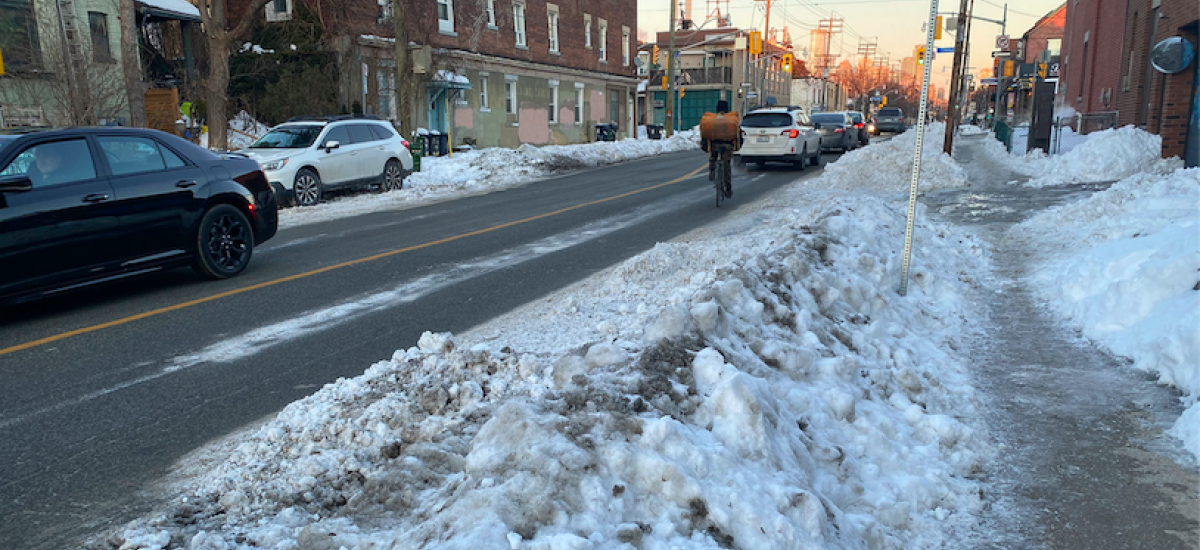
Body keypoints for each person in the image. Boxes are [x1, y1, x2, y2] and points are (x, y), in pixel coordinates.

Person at [699, 100, 741, 198]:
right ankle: (728, 187)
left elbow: (705, 134)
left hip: (714, 144)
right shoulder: (731, 120)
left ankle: (712, 171)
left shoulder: (712, 120)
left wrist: (704, 145)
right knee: (727, 165)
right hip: (727, 146)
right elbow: (738, 134)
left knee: (712, 157)